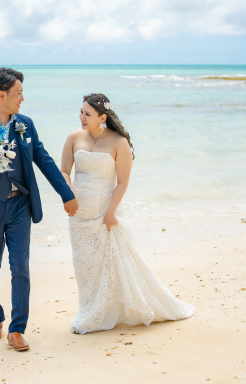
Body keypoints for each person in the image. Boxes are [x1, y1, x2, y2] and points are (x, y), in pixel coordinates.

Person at [0, 67, 79, 351]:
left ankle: (17, 328)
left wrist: (66, 194)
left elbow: (43, 160)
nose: (22, 98)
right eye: (18, 93)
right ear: (1, 95)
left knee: (20, 266)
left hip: (20, 204)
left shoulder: (25, 124)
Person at [59, 93, 194, 334]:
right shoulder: (73, 137)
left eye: (87, 114)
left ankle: (105, 313)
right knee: (84, 265)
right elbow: (65, 171)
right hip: (78, 215)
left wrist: (110, 213)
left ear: (102, 117)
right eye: (80, 112)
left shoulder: (119, 142)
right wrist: (69, 194)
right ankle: (90, 309)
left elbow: (122, 182)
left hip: (105, 214)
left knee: (111, 262)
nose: (81, 117)